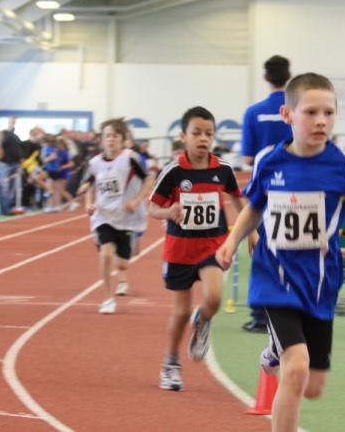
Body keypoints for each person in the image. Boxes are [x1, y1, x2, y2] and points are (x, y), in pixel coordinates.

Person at [216, 73, 345, 432]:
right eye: (311, 112)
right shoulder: (268, 160)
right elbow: (254, 206)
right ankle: (282, 354)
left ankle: (273, 353)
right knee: (296, 368)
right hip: (274, 278)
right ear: (287, 114)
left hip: (321, 282)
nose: (321, 121)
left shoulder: (344, 165)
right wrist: (232, 241)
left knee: (312, 386)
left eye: (329, 113)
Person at [148, 107, 245, 391]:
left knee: (213, 298)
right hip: (179, 250)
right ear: (183, 136)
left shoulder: (223, 169)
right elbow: (152, 207)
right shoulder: (174, 171)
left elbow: (238, 200)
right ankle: (170, 364)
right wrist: (169, 212)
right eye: (196, 133)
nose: (203, 138)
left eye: (209, 134)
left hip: (212, 247)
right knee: (180, 312)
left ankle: (202, 321)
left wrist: (249, 233)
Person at [239, 54, 293, 333]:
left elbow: (248, 158)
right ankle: (293, 313)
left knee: (262, 252)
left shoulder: (253, 113)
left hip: (265, 191)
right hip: (296, 188)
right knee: (294, 252)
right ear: (289, 77)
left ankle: (261, 317)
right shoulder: (297, 111)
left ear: (265, 77)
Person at [82, 118, 154, 314]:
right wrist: (89, 203)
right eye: (107, 136)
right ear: (102, 139)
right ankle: (108, 299)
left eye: (115, 136)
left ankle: (123, 252)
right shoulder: (94, 163)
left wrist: (136, 201)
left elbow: (149, 180)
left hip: (127, 217)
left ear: (122, 139)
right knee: (106, 254)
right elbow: (90, 185)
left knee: (122, 263)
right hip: (103, 215)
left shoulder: (131, 158)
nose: (111, 140)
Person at [0, 117, 23, 215]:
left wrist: (20, 158)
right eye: (12, 122)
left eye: (14, 122)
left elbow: (19, 149)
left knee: (12, 188)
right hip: (5, 163)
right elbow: (1, 144)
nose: (13, 124)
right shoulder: (4, 134)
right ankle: (5, 209)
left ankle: (9, 206)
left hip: (15, 163)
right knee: (4, 187)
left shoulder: (16, 137)